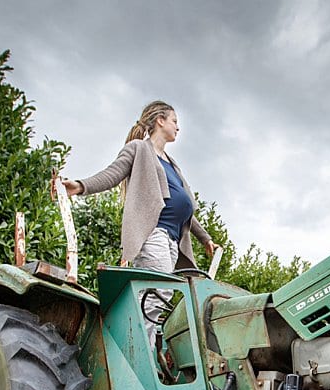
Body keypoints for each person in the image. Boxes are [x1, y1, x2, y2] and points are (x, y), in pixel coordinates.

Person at [62, 100, 217, 339]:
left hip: (173, 241)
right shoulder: (139, 149)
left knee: (161, 295)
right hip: (154, 232)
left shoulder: (170, 162)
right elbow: (112, 174)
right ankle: (139, 347)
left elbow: (185, 206)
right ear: (160, 121)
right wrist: (81, 186)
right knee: (159, 292)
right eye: (175, 121)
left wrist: (205, 239)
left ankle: (145, 343)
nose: (178, 127)